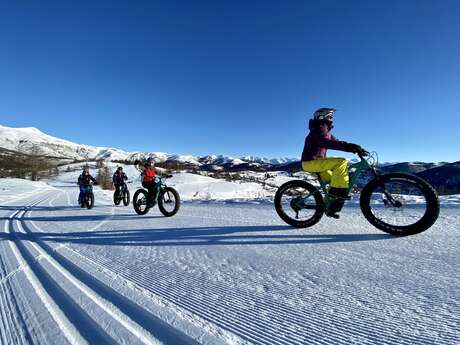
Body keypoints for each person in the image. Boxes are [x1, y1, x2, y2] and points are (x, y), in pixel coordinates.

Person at [301, 108, 366, 218]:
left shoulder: (325, 131)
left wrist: (353, 147)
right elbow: (326, 142)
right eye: (329, 116)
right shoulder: (319, 129)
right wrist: (349, 147)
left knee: (333, 181)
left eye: (332, 116)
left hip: (316, 163)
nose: (332, 118)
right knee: (341, 162)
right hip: (310, 162)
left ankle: (329, 206)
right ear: (321, 117)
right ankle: (338, 195)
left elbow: (335, 142)